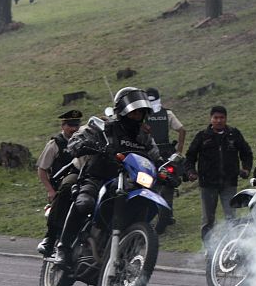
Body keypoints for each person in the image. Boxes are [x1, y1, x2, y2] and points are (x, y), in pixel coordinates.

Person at [53, 88, 162, 265]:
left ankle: (125, 253)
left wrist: (168, 168)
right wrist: (87, 144)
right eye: (133, 112)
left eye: (140, 113)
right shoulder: (106, 128)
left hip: (128, 182)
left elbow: (156, 157)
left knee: (140, 209)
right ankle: (63, 248)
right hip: (99, 176)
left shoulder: (144, 137)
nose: (136, 116)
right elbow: (75, 142)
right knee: (84, 203)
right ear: (123, 111)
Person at [185, 105, 253, 243]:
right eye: (216, 118)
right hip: (208, 184)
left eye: (222, 117)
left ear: (226, 119)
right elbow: (190, 156)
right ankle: (208, 249)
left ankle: (232, 246)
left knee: (231, 217)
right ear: (211, 119)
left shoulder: (234, 134)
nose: (219, 120)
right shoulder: (202, 136)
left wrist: (246, 168)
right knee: (208, 219)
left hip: (229, 183)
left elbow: (246, 152)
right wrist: (190, 171)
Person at [35, 109, 84, 256]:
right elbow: (42, 169)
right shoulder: (55, 144)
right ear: (63, 126)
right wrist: (50, 190)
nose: (73, 129)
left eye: (76, 125)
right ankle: (50, 238)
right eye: (70, 125)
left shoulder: (85, 140)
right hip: (61, 187)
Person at [144, 87, 186, 233]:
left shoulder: (141, 115)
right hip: (166, 154)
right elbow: (182, 130)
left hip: (148, 154)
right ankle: (167, 214)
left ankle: (150, 216)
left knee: (149, 185)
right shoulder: (167, 113)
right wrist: (179, 152)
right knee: (168, 185)